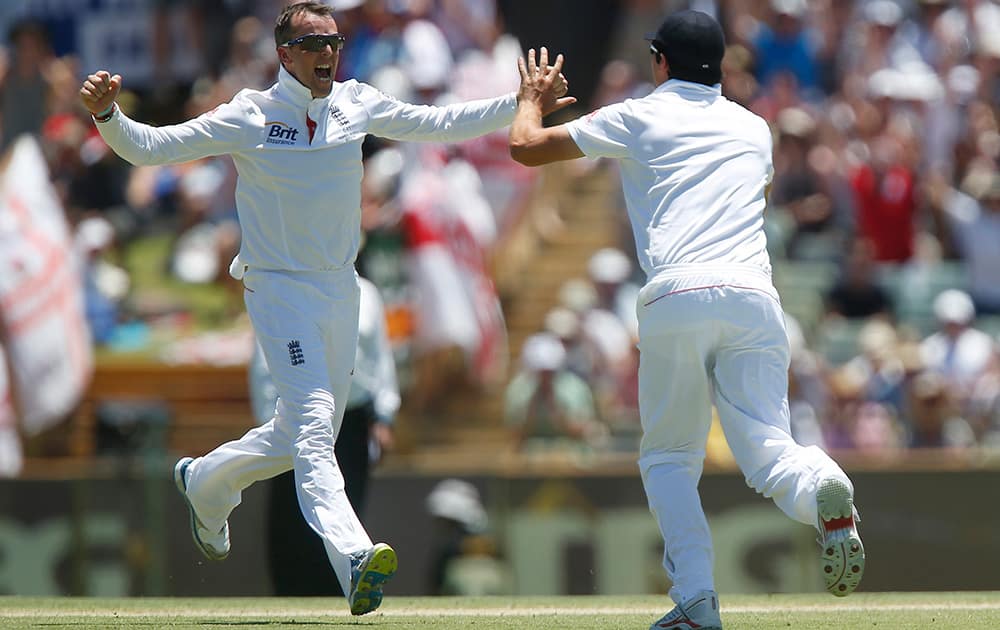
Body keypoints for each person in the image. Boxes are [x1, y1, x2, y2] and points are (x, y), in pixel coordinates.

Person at [79, 1, 571, 615]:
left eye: (334, 43)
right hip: (278, 288)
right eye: (314, 46)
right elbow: (152, 148)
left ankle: (206, 482)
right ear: (285, 54)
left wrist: (521, 103)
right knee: (313, 427)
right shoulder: (251, 113)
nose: (328, 55)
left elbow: (439, 121)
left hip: (341, 290)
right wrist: (107, 115)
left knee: (297, 436)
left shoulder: (355, 102)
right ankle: (355, 556)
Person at [509, 11, 864, 630]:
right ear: (720, 67)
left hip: (676, 291)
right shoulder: (756, 129)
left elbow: (526, 148)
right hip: (754, 292)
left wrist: (529, 100)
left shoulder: (639, 113)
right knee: (769, 451)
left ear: (661, 62)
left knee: (670, 459)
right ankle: (823, 487)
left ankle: (698, 601)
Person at [248, 274, 399, 596]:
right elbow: (264, 362)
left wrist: (384, 415)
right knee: (293, 511)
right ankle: (295, 590)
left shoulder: (368, 293)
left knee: (345, 497)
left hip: (352, 417)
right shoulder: (286, 288)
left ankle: (346, 578)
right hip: (298, 414)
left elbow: (380, 358)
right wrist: (272, 422)